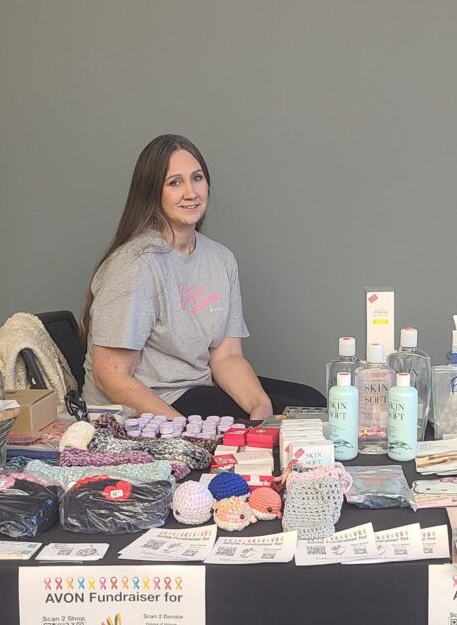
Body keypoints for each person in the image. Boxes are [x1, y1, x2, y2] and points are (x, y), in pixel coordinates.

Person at [82, 134, 323, 419]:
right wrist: (182, 428)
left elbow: (227, 356)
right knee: (294, 417)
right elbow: (111, 377)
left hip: (195, 386)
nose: (190, 192)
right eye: (175, 183)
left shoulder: (220, 259)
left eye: (197, 178)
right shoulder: (135, 266)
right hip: (152, 400)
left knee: (311, 402)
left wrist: (260, 408)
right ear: (151, 192)